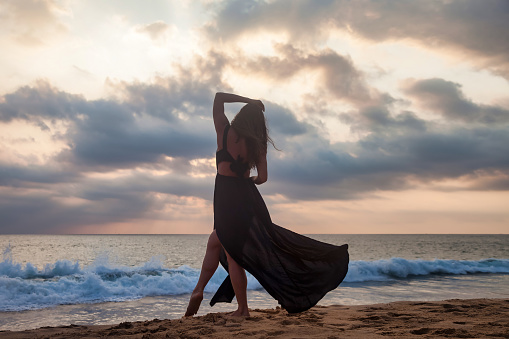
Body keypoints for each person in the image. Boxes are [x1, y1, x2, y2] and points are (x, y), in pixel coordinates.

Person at [185, 92, 349, 317]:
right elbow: (262, 178)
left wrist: (249, 101)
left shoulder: (223, 132)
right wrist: (247, 181)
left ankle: (242, 309)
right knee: (216, 241)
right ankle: (198, 290)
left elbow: (218, 98)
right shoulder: (257, 145)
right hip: (246, 200)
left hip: (224, 198)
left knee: (232, 253)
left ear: (241, 117)